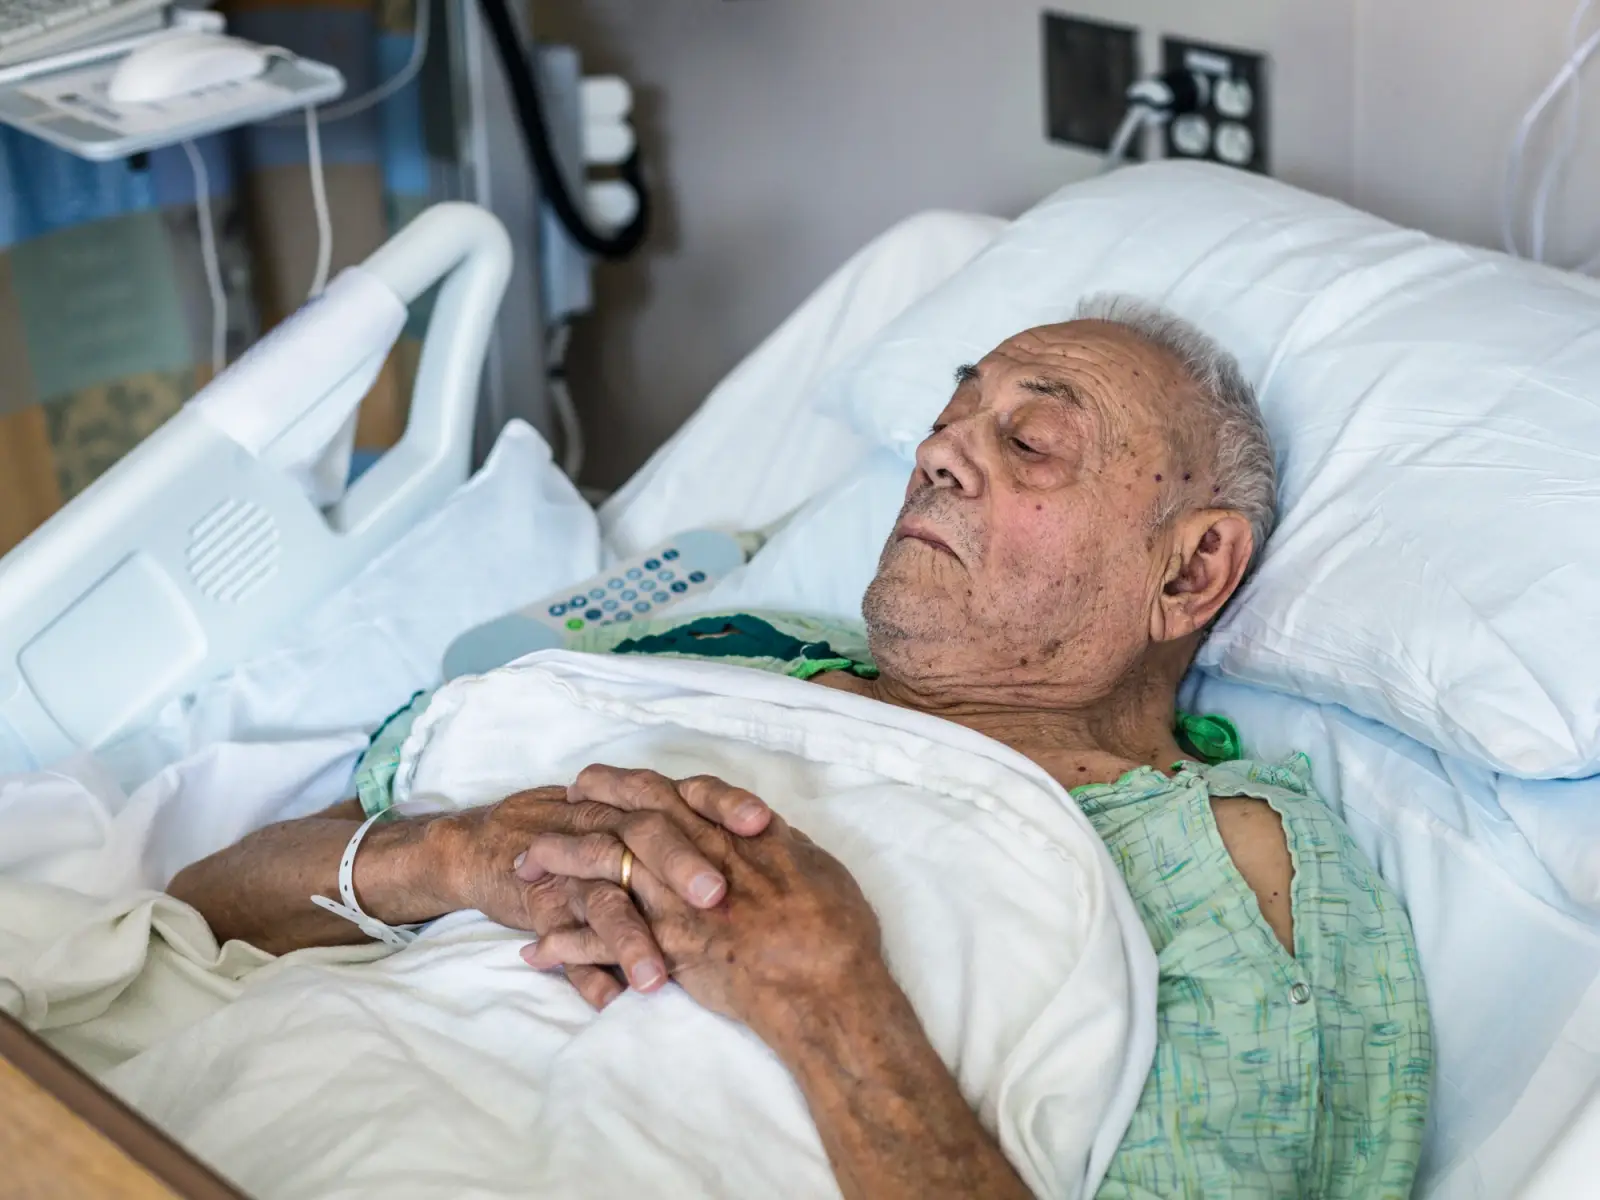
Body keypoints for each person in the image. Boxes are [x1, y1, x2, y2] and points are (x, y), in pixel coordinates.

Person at [169, 297, 1432, 1199]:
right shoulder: (725, 648)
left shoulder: (1230, 863)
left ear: (1191, 569)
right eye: (950, 417)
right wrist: (447, 857)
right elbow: (200, 912)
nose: (936, 453)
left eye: (1031, 442)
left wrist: (830, 1002)